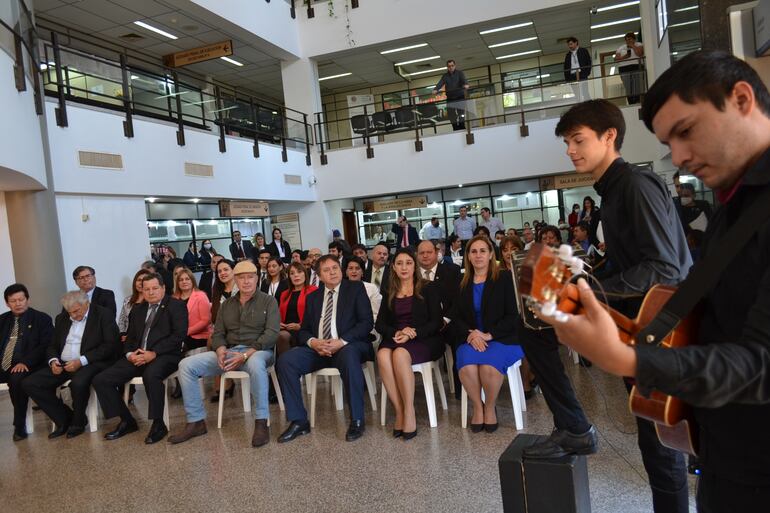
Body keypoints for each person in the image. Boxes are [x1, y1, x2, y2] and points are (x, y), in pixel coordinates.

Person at [554, 98, 692, 511]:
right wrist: (584, 274)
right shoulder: (612, 193)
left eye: (578, 140)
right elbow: (631, 260)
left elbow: (664, 267)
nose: (571, 150)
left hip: (661, 330)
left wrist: (592, 292)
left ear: (609, 135)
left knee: (663, 446)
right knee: (656, 442)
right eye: (567, 143)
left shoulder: (633, 184)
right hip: (641, 328)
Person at [169, 261, 280, 447]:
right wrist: (220, 350)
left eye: (250, 277)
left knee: (255, 364)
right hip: (229, 351)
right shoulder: (227, 304)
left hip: (258, 352)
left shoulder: (268, 301)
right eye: (241, 278)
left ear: (257, 278)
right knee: (186, 365)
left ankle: (261, 422)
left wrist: (245, 355)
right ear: (235, 280)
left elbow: (272, 333)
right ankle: (196, 421)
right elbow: (218, 332)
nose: (246, 282)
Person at [276, 255, 374, 443]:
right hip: (318, 349)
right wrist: (314, 342)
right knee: (286, 361)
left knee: (349, 355)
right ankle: (299, 421)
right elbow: (304, 330)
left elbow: (366, 323)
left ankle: (357, 420)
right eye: (327, 270)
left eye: (335, 268)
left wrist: (342, 341)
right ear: (319, 276)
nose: (333, 272)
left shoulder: (355, 288)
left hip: (348, 345)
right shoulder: (313, 297)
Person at [92, 272, 187, 444]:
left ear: (163, 288)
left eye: (155, 288)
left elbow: (178, 336)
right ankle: (127, 420)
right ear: (141, 291)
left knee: (151, 375)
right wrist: (129, 354)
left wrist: (154, 353)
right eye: (146, 289)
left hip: (165, 355)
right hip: (138, 355)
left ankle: (159, 424)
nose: (151, 293)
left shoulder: (176, 306)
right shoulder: (138, 309)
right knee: (101, 379)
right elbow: (130, 339)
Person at [449, 236, 525, 432]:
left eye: (483, 251)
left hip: (502, 338)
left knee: (488, 368)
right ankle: (478, 406)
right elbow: (455, 316)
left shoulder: (505, 279)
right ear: (468, 256)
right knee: (467, 367)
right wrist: (472, 335)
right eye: (473, 251)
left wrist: (489, 335)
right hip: (471, 338)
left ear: (491, 254)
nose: (478, 255)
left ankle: (490, 407)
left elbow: (513, 316)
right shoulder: (460, 282)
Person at [23, 291, 119, 439]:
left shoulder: (103, 315)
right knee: (30, 383)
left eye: (76, 311)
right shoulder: (62, 318)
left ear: (86, 304)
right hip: (63, 363)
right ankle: (64, 419)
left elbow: (110, 345)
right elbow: (52, 345)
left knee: (78, 383)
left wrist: (81, 361)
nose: (73, 316)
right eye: (70, 312)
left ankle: (78, 422)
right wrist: (53, 360)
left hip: (90, 361)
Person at [375, 248, 443, 439]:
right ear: (394, 268)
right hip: (396, 337)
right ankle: (399, 410)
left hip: (424, 338)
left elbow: (436, 322)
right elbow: (380, 324)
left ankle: (410, 412)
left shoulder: (428, 288)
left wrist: (412, 333)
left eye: (408, 263)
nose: (404, 267)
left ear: (415, 265)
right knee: (382, 355)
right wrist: (397, 332)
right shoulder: (389, 290)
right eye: (399, 263)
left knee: (399, 354)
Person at [0, 284, 53, 441]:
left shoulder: (42, 319)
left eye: (21, 299)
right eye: (13, 301)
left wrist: (26, 362)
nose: (18, 303)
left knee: (16, 378)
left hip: (30, 364)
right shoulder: (2, 320)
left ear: (27, 300)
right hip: (4, 364)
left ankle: (19, 425)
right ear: (7, 303)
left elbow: (45, 345)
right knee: (13, 375)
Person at [416, 240, 462, 394]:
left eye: (429, 252)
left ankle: (459, 389)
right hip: (422, 326)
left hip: (447, 323)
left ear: (436, 253)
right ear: (417, 256)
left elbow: (458, 301)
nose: (425, 256)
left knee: (458, 337)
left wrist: (445, 320)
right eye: (422, 253)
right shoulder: (412, 274)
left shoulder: (452, 271)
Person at [210, 259, 238, 402]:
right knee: (213, 339)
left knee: (214, 341)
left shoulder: (241, 288)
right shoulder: (217, 292)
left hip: (240, 331)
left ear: (233, 270)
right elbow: (215, 318)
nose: (222, 273)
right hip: (222, 331)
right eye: (219, 271)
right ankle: (224, 380)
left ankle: (224, 382)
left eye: (226, 269)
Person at [277, 263, 319, 357]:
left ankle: (286, 365)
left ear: (305, 273)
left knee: (282, 336)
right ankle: (284, 366)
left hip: (305, 329)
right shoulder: (284, 294)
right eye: (292, 273)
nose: (296, 275)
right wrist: (279, 324)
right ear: (289, 277)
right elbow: (279, 314)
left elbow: (317, 315)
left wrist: (300, 326)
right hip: (286, 328)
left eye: (299, 272)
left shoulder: (314, 290)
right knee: (281, 335)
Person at [172, 268, 212, 353]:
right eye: (181, 280)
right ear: (177, 283)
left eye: (187, 279)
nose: (184, 282)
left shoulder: (201, 296)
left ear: (192, 281)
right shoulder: (174, 299)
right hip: (178, 336)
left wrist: (186, 332)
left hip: (198, 336)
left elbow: (205, 320)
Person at [433, 59, 469, 131]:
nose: (451, 67)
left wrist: (466, 84)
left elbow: (464, 80)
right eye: (449, 66)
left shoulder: (459, 73)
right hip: (450, 98)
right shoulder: (445, 76)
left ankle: (462, 126)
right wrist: (436, 89)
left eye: (452, 66)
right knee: (451, 114)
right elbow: (440, 83)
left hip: (459, 97)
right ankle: (455, 128)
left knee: (461, 113)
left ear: (455, 66)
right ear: (447, 67)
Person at [345, 256, 382, 327]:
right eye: (350, 268)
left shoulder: (372, 288)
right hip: (344, 328)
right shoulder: (340, 289)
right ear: (346, 272)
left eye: (357, 268)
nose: (354, 271)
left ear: (362, 272)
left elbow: (376, 314)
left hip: (367, 326)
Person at [118, 269, 150, 336]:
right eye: (139, 280)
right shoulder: (127, 300)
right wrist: (122, 334)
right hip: (127, 338)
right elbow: (122, 320)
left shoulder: (152, 301)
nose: (140, 283)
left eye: (144, 280)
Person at [615, 32, 644, 104]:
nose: (628, 41)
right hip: (624, 68)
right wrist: (625, 57)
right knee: (628, 86)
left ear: (634, 39)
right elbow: (616, 59)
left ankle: (637, 101)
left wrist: (632, 46)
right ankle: (631, 102)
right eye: (627, 40)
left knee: (637, 85)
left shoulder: (639, 44)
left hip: (636, 66)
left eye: (630, 39)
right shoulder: (621, 48)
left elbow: (639, 54)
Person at [563, 36, 592, 101]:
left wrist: (587, 73)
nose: (570, 46)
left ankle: (590, 107)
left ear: (576, 43)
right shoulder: (568, 55)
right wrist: (567, 79)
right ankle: (580, 108)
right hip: (572, 76)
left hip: (582, 74)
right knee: (576, 94)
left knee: (585, 92)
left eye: (571, 44)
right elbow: (566, 67)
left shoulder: (583, 51)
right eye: (568, 45)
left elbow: (588, 62)